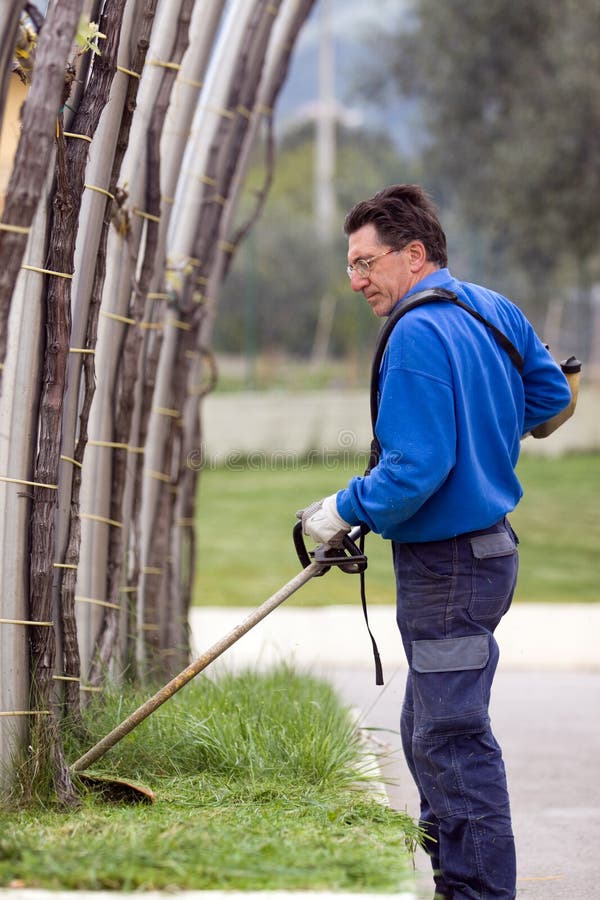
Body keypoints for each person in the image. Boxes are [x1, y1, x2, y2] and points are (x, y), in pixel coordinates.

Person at [298, 184, 573, 900]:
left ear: (414, 254)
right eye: (351, 266)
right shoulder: (491, 306)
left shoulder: (418, 331)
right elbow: (552, 398)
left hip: (449, 565)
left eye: (366, 263)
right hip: (487, 554)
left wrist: (339, 509)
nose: (356, 280)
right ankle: (458, 880)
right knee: (429, 729)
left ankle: (477, 893)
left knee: (450, 739)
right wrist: (486, 430)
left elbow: (414, 470)